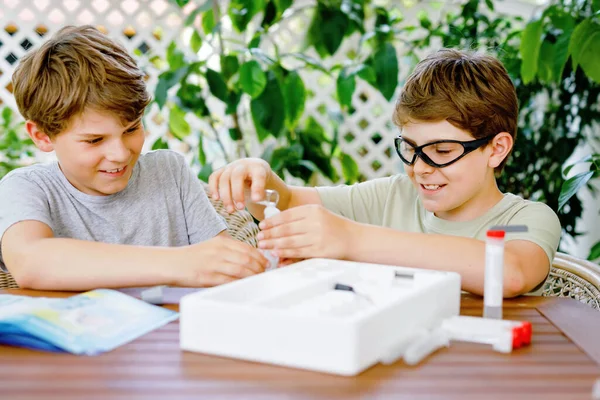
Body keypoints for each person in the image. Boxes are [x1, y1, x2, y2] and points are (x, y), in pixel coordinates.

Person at [209, 49, 561, 297]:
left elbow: (510, 272)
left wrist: (353, 239)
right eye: (410, 148)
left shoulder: (524, 219)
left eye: (441, 151)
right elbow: (286, 202)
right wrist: (259, 179)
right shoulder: (392, 196)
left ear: (496, 149)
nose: (419, 168)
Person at [0, 25, 267, 291]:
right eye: (95, 140)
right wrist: (180, 263)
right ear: (43, 135)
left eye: (131, 129)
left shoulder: (169, 172)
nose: (120, 154)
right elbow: (30, 261)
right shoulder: (27, 188)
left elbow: (224, 264)